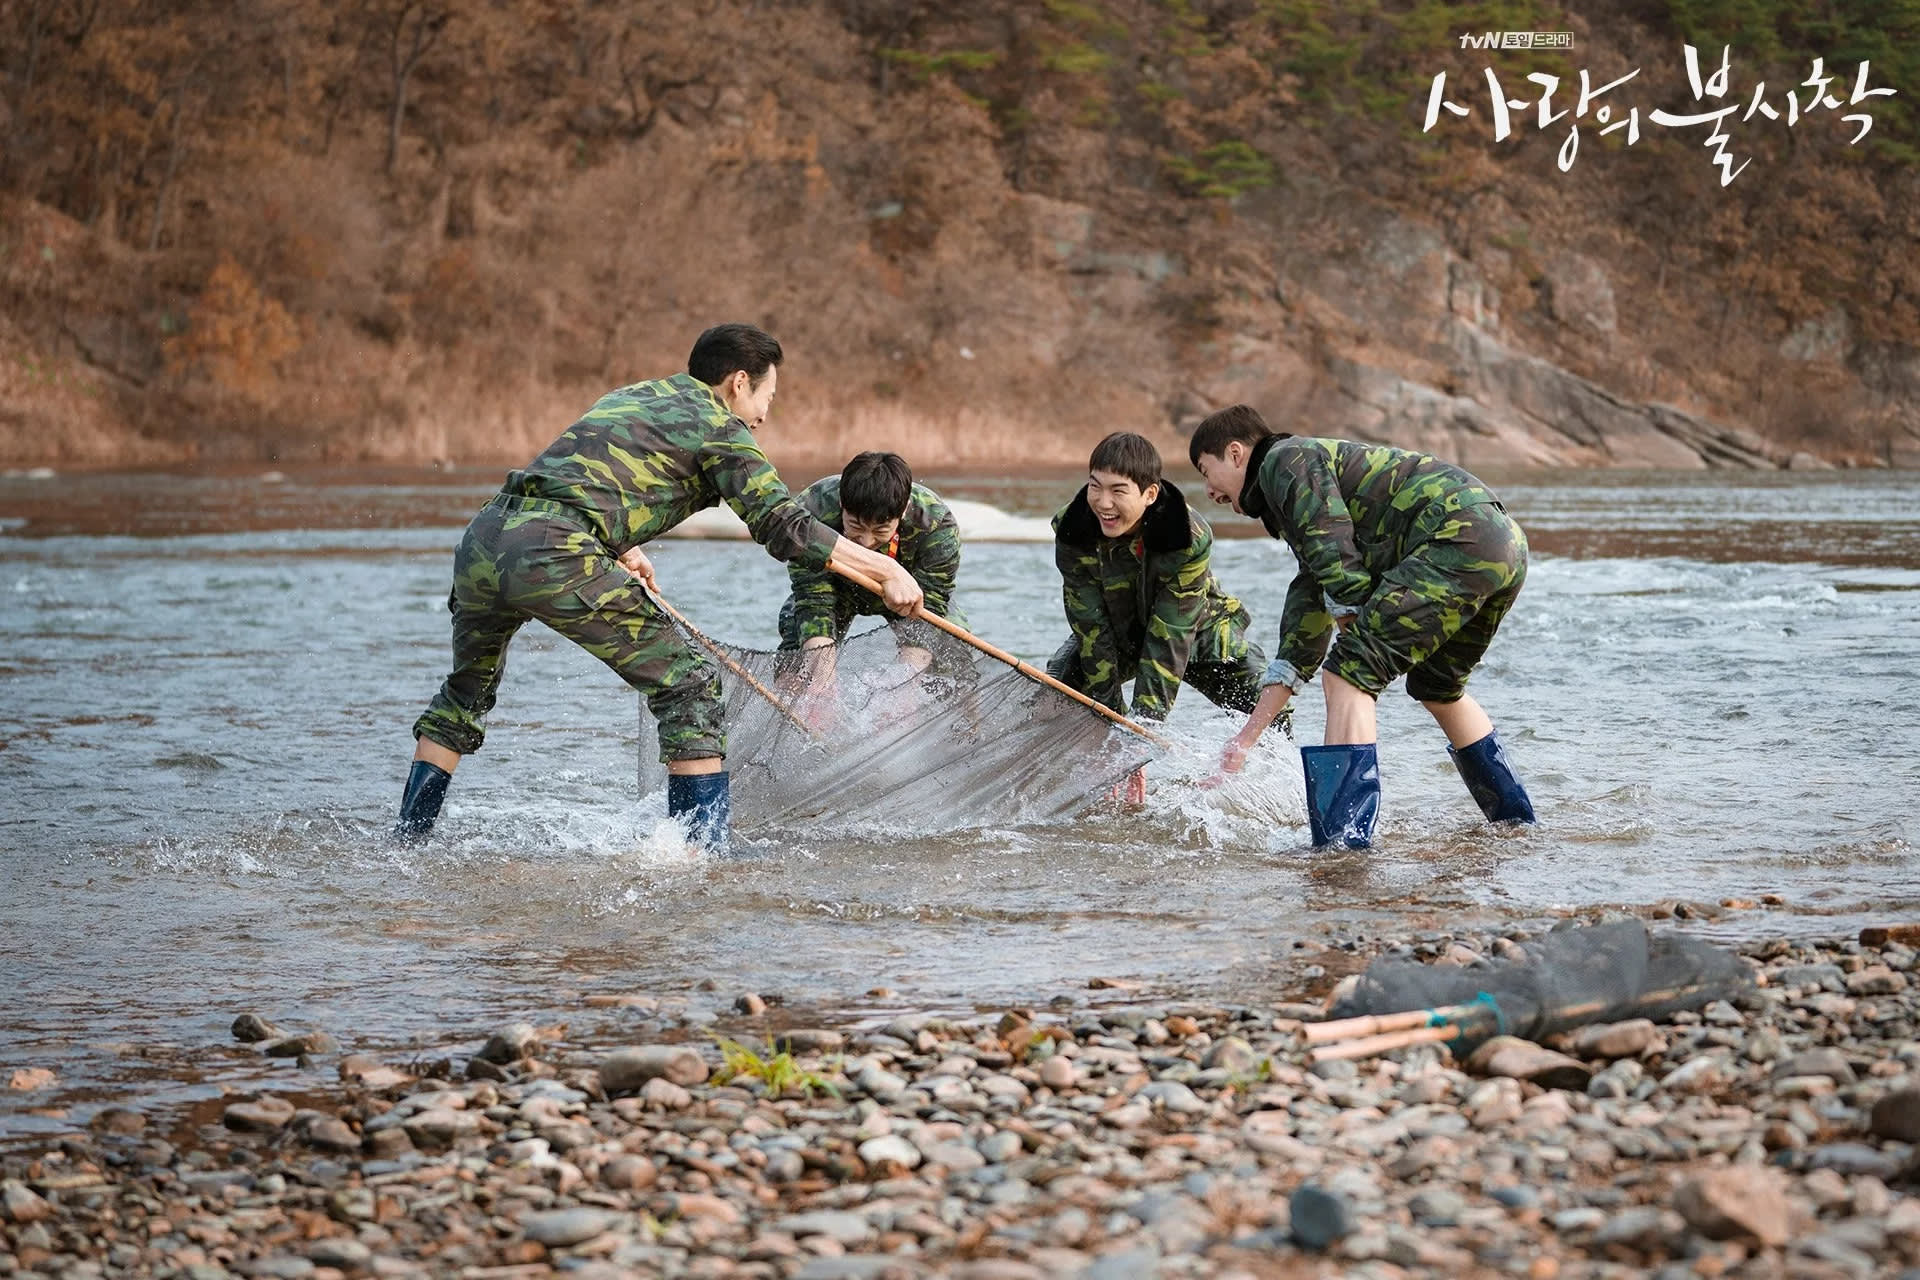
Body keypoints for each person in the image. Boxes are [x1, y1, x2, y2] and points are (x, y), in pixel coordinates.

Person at [394, 324, 923, 853]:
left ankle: (408, 843)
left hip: (486, 539)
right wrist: (887, 572)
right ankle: (701, 857)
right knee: (690, 685)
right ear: (740, 383)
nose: (765, 413)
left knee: (465, 695)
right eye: (768, 396)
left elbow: (575, 479)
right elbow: (782, 524)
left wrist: (619, 545)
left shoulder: (634, 396)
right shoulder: (721, 426)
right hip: (557, 552)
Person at [1187, 404, 1536, 849]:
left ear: (1235, 454)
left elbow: (1334, 557)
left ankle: (1343, 846)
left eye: (1205, 470)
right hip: (1501, 543)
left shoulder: (1284, 461)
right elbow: (1303, 634)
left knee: (1348, 673)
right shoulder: (1303, 502)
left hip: (1456, 536)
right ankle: (1516, 826)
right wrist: (1244, 743)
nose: (1209, 491)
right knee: (1437, 686)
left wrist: (1353, 631)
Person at [1048, 431, 1277, 802]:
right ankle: (1073, 788)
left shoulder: (1188, 534)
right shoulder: (1073, 529)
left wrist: (1136, 739)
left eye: (1118, 491)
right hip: (1118, 630)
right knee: (1058, 684)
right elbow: (1090, 629)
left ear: (1150, 495)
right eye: (1095, 487)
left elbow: (1170, 635)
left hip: (1197, 627)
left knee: (1261, 695)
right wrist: (1112, 736)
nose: (1103, 503)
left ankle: (1255, 786)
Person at [776, 451, 961, 696]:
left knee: (957, 668)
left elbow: (928, 613)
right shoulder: (811, 511)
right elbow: (814, 601)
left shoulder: (937, 525)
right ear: (842, 503)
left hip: (908, 596)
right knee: (798, 672)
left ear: (903, 510)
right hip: (834, 589)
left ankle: (967, 732)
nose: (866, 541)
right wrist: (821, 688)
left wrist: (903, 692)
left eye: (880, 530)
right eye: (856, 526)